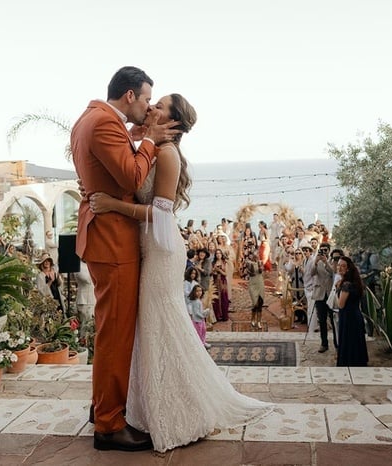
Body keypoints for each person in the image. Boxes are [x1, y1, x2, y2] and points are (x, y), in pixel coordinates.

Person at [88, 92, 273, 452]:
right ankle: (143, 403)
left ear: (172, 122)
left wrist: (112, 205)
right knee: (151, 326)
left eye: (159, 106)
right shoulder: (151, 148)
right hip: (147, 248)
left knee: (161, 323)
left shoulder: (168, 154)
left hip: (162, 251)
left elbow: (161, 214)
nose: (151, 108)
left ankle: (180, 409)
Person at [71, 66, 178, 452]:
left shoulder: (90, 118)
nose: (149, 106)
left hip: (106, 238)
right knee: (115, 337)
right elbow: (132, 177)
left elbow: (109, 170)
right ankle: (109, 425)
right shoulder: (104, 122)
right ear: (130, 95)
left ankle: (102, 406)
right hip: (113, 243)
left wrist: (142, 137)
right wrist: (150, 139)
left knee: (110, 333)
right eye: (147, 98)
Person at [335, 256, 369, 367]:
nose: (339, 268)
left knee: (349, 341)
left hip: (349, 317)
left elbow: (341, 304)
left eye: (343, 266)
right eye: (338, 265)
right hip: (354, 315)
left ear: (348, 268)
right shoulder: (353, 282)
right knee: (354, 342)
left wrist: (336, 291)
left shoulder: (346, 284)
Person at [309, 242, 337, 353]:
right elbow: (311, 273)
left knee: (333, 320)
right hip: (320, 294)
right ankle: (324, 343)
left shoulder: (332, 261)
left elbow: (333, 272)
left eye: (325, 250)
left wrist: (326, 262)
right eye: (321, 250)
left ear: (329, 250)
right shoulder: (317, 260)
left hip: (330, 294)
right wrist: (316, 262)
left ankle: (337, 343)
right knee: (322, 320)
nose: (323, 252)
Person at [187, 284, 211, 349]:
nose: (199, 292)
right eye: (197, 291)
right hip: (197, 320)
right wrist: (203, 315)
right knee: (199, 332)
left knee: (204, 330)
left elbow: (200, 311)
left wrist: (205, 312)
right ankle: (200, 344)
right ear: (194, 292)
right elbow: (196, 312)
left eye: (200, 291)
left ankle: (203, 342)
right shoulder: (195, 302)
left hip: (201, 320)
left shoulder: (198, 300)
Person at [211, 249, 230, 322]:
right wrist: (214, 271)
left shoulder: (224, 262)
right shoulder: (213, 262)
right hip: (215, 282)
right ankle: (217, 316)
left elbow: (226, 274)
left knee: (223, 298)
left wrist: (219, 270)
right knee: (216, 298)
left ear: (221, 254)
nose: (218, 255)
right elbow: (211, 273)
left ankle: (224, 315)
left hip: (222, 282)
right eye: (217, 253)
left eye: (219, 253)